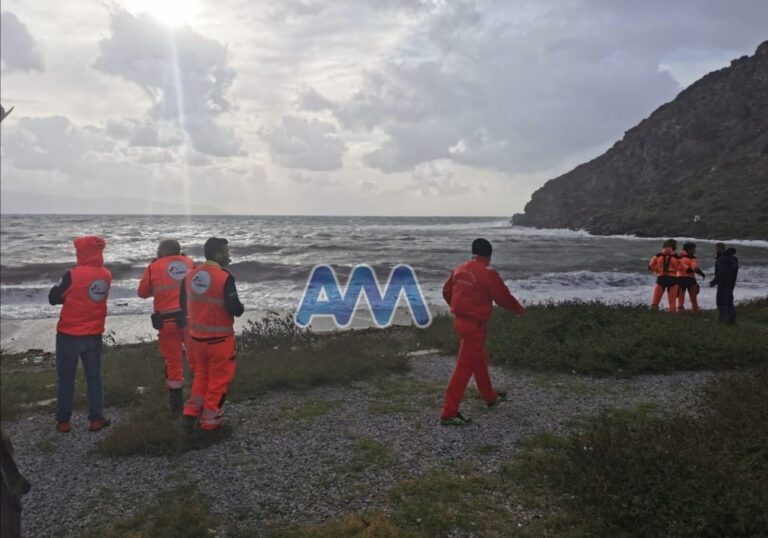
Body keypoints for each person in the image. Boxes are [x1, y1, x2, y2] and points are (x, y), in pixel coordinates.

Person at [439, 238, 525, 426]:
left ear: (473, 252)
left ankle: (490, 397)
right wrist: (519, 310)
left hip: (460, 322)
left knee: (477, 360)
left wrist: (458, 308)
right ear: (489, 255)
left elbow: (446, 292)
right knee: (463, 369)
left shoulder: (459, 269)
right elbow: (503, 297)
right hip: (475, 326)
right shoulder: (488, 273)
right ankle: (449, 413)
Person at [48, 236, 112, 432]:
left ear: (83, 252)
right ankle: (95, 419)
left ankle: (64, 421)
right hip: (93, 333)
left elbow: (53, 298)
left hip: (69, 333)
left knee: (66, 377)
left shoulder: (72, 274)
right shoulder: (106, 275)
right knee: (94, 377)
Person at [180, 237, 244, 432]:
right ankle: (210, 422)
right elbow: (235, 309)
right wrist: (240, 307)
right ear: (218, 254)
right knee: (219, 381)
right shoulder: (224, 277)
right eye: (226, 251)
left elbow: (183, 305)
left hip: (196, 338)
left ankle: (190, 414)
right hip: (219, 340)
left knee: (201, 376)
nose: (229, 255)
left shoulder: (190, 275)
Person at [138, 239, 196, 414]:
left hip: (167, 322)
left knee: (173, 363)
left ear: (161, 251)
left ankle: (176, 406)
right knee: (195, 360)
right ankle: (200, 397)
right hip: (189, 320)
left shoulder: (154, 267)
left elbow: (142, 293)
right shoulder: (189, 262)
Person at [648, 239, 681, 312]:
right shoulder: (677, 257)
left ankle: (653, 316)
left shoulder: (657, 256)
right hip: (673, 280)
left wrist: (657, 269)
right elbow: (681, 268)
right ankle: (672, 319)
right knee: (672, 303)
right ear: (674, 247)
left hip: (661, 279)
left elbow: (650, 267)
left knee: (655, 303)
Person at [710, 243, 739, 323]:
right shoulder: (733, 259)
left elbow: (723, 271)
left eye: (716, 249)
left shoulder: (722, 259)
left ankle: (724, 320)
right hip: (731, 283)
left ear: (719, 248)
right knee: (729, 300)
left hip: (723, 283)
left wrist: (715, 281)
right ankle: (731, 319)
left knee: (721, 301)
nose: (716, 251)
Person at [676, 242, 706, 314]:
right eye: (693, 249)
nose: (694, 251)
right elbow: (694, 268)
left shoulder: (678, 258)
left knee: (680, 299)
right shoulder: (692, 259)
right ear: (688, 250)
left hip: (680, 279)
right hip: (690, 280)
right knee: (693, 299)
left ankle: (680, 313)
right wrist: (701, 274)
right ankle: (695, 313)